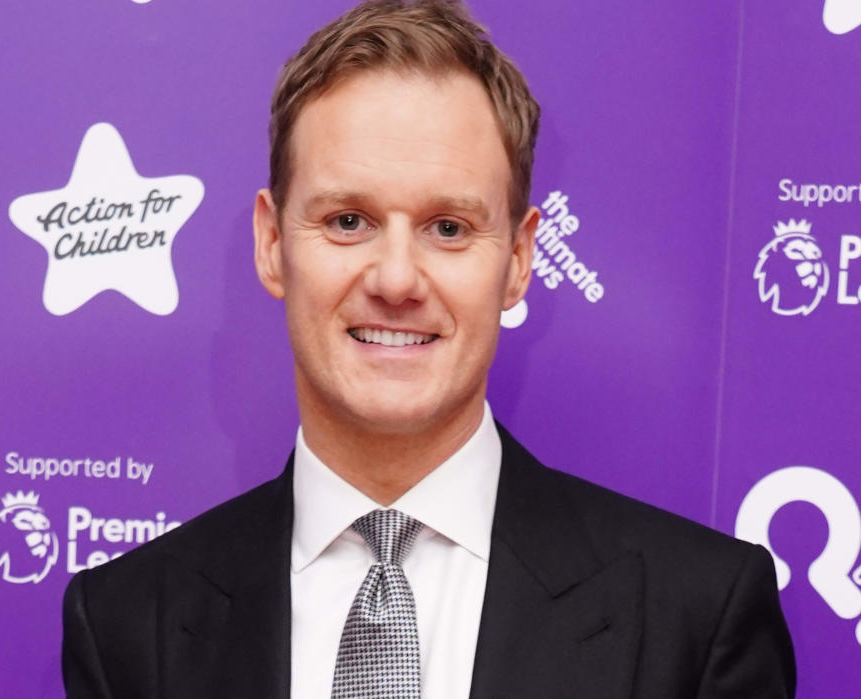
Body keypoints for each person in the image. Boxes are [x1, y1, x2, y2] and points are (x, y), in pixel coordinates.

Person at [61, 1, 797, 697]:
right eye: (349, 220)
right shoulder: (128, 621)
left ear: (517, 260)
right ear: (271, 243)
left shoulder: (695, 619)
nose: (396, 279)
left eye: (448, 227)